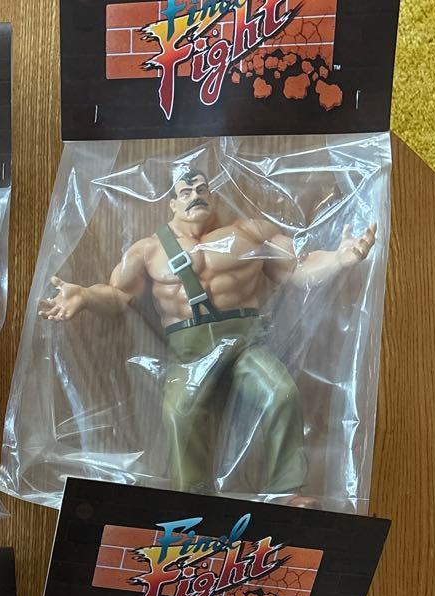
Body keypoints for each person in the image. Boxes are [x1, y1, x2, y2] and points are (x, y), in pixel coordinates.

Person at [41, 166, 376, 500]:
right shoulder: (149, 250)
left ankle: (284, 493)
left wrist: (338, 259)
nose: (195, 196)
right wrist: (85, 296)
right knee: (179, 415)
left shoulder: (250, 232)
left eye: (201, 189)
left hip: (244, 343)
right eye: (185, 192)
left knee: (282, 395)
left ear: (212, 196)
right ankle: (194, 500)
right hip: (189, 352)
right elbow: (118, 295)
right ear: (172, 203)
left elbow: (297, 269)